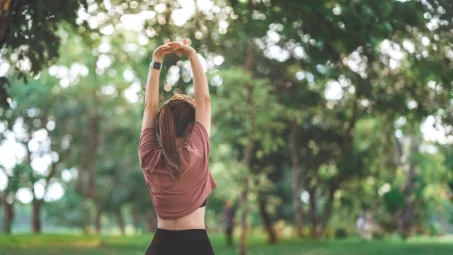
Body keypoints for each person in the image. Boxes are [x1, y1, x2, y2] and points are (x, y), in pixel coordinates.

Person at [139, 38, 217, 255]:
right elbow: (205, 101)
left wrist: (156, 60)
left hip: (159, 247)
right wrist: (192, 54)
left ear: (161, 125)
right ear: (192, 126)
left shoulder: (148, 157)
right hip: (196, 247)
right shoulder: (195, 153)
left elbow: (149, 107)